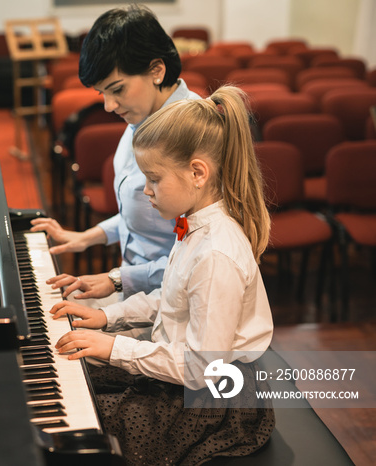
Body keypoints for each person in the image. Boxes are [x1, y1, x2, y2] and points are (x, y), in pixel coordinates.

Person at [49, 86, 275, 465]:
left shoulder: (216, 253)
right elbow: (170, 297)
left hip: (213, 402)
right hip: (184, 372)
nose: (145, 190)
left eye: (153, 179)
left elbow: (205, 367)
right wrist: (108, 317)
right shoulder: (194, 224)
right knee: (77, 371)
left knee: (90, 428)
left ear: (197, 173)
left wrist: (114, 347)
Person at [31, 5, 201, 304]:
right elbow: (144, 220)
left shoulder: (195, 136)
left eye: (117, 89)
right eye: (102, 94)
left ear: (156, 71)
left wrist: (117, 280)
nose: (108, 106)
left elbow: (201, 263)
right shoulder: (142, 115)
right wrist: (86, 237)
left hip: (176, 300)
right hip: (137, 287)